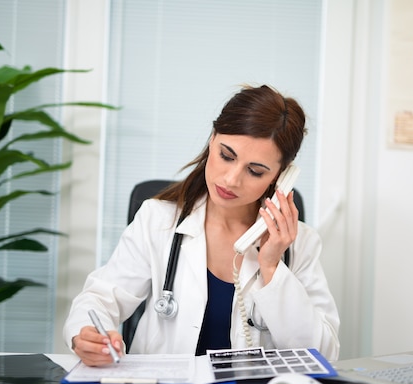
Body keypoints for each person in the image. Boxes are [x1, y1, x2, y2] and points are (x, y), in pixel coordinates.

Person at [63, 85, 340, 365]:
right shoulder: (157, 220)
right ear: (212, 140)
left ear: (281, 176)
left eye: (255, 171)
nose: (231, 179)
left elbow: (322, 354)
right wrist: (85, 335)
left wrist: (271, 266)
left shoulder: (301, 244)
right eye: (226, 156)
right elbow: (100, 297)